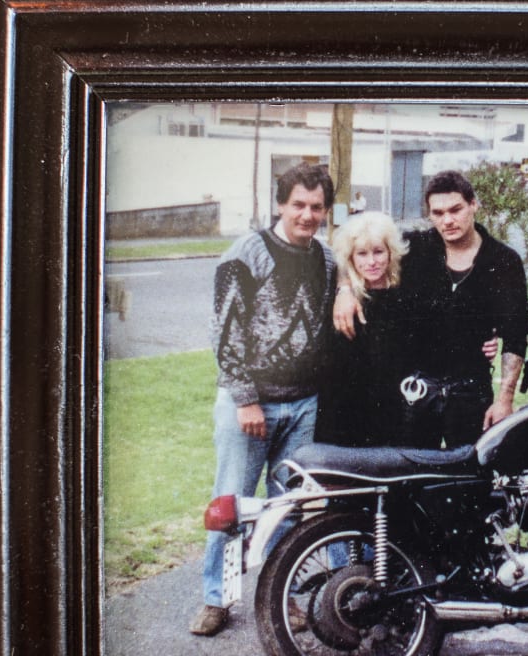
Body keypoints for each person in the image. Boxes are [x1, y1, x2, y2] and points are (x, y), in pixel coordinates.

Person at [190, 162, 336, 637]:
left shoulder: (328, 260)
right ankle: (217, 598)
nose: (307, 215)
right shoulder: (246, 254)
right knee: (232, 502)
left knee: (288, 509)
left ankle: (282, 598)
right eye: (299, 205)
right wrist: (246, 399)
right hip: (249, 407)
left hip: (304, 405)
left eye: (317, 207)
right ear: (280, 204)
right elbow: (225, 332)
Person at [334, 170, 528, 449]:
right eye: (438, 213)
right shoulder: (416, 248)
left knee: (470, 479)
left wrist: (504, 400)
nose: (447, 220)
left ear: (473, 204)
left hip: (470, 392)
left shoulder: (503, 261)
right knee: (411, 480)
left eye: (455, 210)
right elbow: (355, 246)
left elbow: (516, 333)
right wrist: (344, 290)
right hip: (416, 391)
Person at [315, 213, 412, 446]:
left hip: (393, 411)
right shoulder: (338, 300)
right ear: (351, 256)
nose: (371, 262)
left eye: (378, 252)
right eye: (362, 253)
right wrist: (345, 289)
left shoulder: (405, 295)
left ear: (391, 253)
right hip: (345, 413)